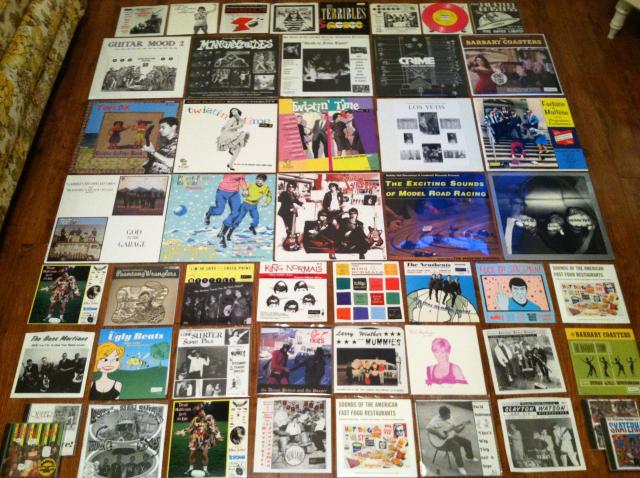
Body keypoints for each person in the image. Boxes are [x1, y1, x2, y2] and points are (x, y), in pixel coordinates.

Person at [426, 406, 478, 476]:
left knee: (467, 442)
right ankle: (460, 467)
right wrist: (439, 435)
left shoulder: (450, 418)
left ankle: (469, 457)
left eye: (449, 414)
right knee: (456, 446)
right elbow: (428, 428)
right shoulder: (435, 420)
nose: (449, 416)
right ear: (442, 415)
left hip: (450, 437)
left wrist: (463, 425)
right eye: (448, 415)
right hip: (439, 442)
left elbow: (457, 430)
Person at [175, 406, 224, 476]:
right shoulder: (195, 419)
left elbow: (214, 428)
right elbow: (190, 428)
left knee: (204, 455)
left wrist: (218, 436)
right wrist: (181, 432)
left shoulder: (209, 418)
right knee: (192, 454)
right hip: (194, 439)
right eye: (200, 412)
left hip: (205, 439)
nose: (202, 412)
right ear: (197, 414)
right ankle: (190, 468)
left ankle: (205, 470)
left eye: (202, 411)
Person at [204, 174, 248, 247]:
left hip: (234, 193)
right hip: (222, 191)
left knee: (236, 213)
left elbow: (241, 178)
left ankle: (222, 233)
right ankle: (209, 213)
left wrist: (245, 189)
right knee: (219, 211)